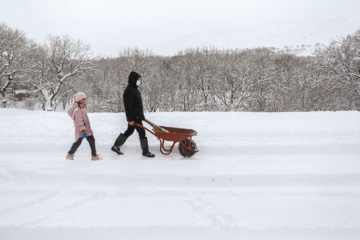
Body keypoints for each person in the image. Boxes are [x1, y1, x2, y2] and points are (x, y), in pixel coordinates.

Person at [111, 71, 155, 157]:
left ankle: (116, 146)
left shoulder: (134, 89)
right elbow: (128, 107)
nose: (139, 81)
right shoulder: (129, 91)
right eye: (138, 79)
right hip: (134, 117)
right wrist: (130, 119)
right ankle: (145, 151)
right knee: (142, 132)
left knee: (130, 131)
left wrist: (141, 115)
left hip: (137, 116)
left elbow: (137, 104)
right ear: (133, 80)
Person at [66, 92, 102, 161]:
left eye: (85, 99)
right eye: (83, 99)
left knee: (91, 140)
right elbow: (79, 121)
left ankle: (94, 155)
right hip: (82, 130)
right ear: (78, 99)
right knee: (78, 142)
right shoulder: (77, 109)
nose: (84, 100)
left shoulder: (81, 107)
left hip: (86, 129)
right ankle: (70, 154)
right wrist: (83, 130)